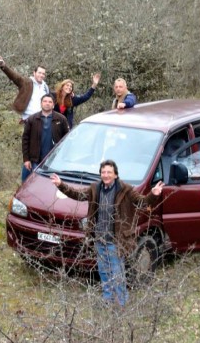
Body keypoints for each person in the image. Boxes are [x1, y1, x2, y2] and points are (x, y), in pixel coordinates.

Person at [50, 159, 164, 307]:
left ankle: (121, 304)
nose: (106, 175)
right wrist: (61, 185)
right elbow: (77, 195)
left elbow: (142, 203)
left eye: (109, 172)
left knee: (117, 273)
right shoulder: (95, 188)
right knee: (104, 272)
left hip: (116, 240)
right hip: (99, 239)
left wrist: (153, 194)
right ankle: (108, 300)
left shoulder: (126, 190)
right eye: (103, 172)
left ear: (116, 175)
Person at [22, 94, 69, 182]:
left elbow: (67, 140)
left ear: (53, 105)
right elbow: (25, 139)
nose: (47, 103)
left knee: (51, 186)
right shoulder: (32, 119)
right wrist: (26, 159)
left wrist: (64, 159)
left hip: (55, 162)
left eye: (50, 102)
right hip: (36, 161)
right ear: (41, 103)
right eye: (45, 101)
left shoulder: (61, 119)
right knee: (35, 185)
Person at [0, 56, 50, 122]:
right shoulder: (26, 82)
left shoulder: (45, 87)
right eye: (39, 73)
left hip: (42, 119)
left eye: (43, 74)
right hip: (28, 119)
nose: (41, 75)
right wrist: (4, 66)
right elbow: (15, 77)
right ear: (34, 73)